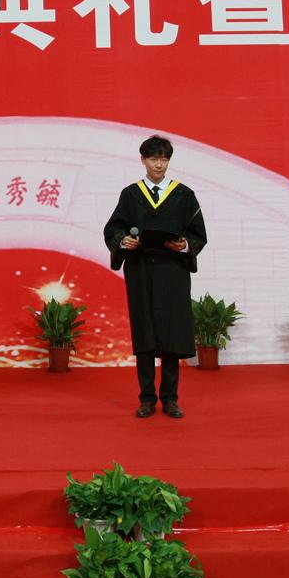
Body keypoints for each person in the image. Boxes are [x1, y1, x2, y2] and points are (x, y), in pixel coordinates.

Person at [103, 135, 207, 419]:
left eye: (163, 159)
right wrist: (124, 241)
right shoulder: (131, 195)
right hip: (141, 271)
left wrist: (183, 245)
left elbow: (198, 234)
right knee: (145, 333)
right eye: (153, 159)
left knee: (172, 334)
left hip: (173, 272)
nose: (159, 165)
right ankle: (147, 398)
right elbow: (113, 228)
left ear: (169, 161)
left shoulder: (184, 195)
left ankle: (170, 398)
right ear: (143, 160)